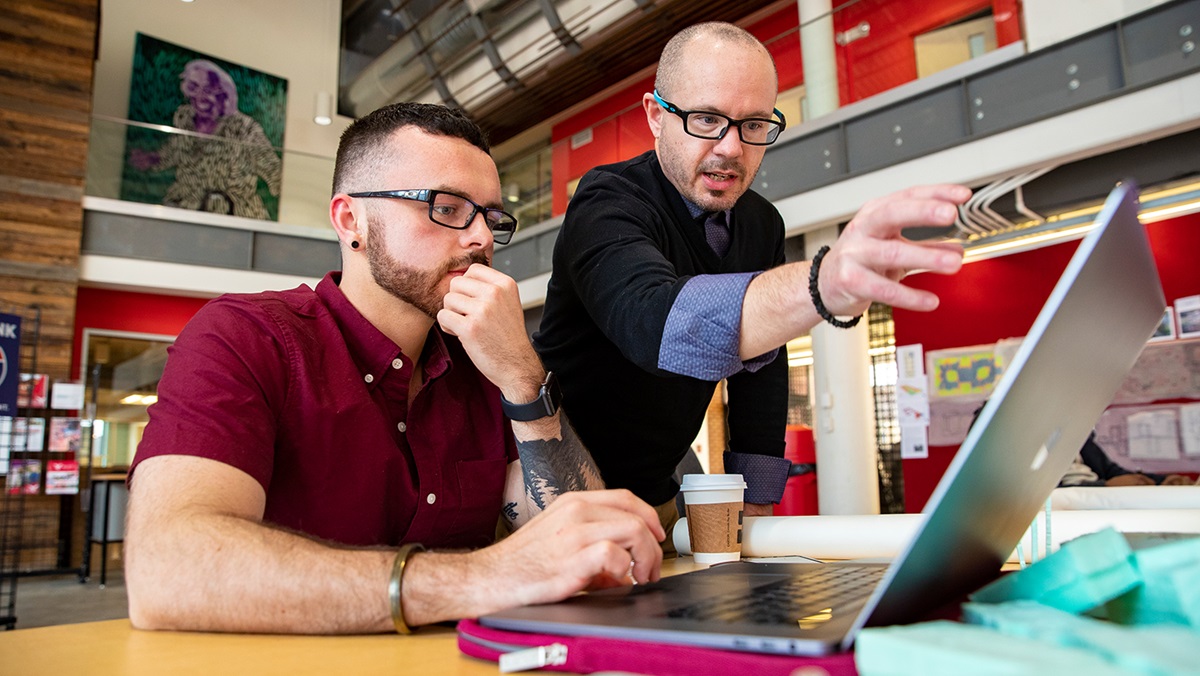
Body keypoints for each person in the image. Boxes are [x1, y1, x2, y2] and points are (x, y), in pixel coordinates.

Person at [124, 102, 665, 635]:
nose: (480, 238)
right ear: (350, 218)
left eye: (491, 217)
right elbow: (168, 568)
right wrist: (481, 576)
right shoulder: (245, 338)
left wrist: (524, 380)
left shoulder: (485, 366)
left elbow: (581, 546)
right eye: (447, 207)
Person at [533, 22, 969, 538]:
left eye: (755, 125)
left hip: (655, 494)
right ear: (655, 116)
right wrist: (819, 284)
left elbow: (762, 365)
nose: (732, 149)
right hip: (551, 491)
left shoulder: (761, 221)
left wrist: (757, 499)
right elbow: (654, 325)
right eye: (707, 119)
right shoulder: (606, 201)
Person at [130, 59, 283, 219]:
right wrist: (151, 159)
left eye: (209, 90)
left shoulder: (244, 128)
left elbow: (274, 172)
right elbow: (174, 152)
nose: (200, 96)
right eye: (193, 87)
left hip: (234, 218)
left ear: (223, 93)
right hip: (186, 211)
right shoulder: (185, 118)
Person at [1060, 432, 1191, 487]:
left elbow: (1112, 472)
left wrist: (1161, 483)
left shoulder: (1077, 434)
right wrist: (1106, 486)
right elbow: (1045, 493)